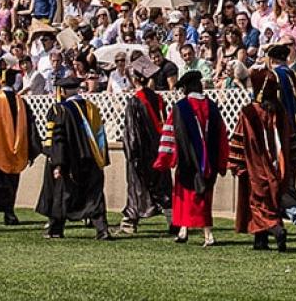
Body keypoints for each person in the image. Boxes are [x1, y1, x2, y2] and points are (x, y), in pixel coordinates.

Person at [153, 69, 229, 247]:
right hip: (208, 162)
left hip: (186, 161)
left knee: (188, 196)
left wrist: (164, 159)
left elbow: (169, 134)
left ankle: (208, 234)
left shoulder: (180, 108)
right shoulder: (212, 106)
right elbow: (222, 136)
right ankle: (183, 230)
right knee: (203, 197)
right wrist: (222, 161)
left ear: (186, 88)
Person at [36, 76, 112, 239]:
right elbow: (100, 135)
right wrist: (102, 159)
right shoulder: (92, 107)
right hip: (92, 159)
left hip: (70, 162)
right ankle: (102, 230)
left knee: (62, 193)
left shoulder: (60, 110)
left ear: (62, 91)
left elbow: (58, 139)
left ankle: (56, 230)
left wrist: (57, 163)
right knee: (94, 195)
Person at [228, 67, 295, 252]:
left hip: (255, 168)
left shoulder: (249, 112)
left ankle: (276, 229)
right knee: (270, 203)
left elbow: (240, 140)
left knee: (258, 205)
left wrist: (236, 164)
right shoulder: (281, 112)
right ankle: (260, 241)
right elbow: (291, 141)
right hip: (278, 168)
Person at [0, 62, 42, 226]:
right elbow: (31, 128)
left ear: (1, 81)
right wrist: (31, 150)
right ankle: (9, 212)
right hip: (17, 151)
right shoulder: (22, 103)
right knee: (11, 180)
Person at [264, 43, 296, 236]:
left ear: (270, 60)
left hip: (280, 137)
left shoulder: (272, 78)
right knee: (289, 180)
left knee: (277, 181)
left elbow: (265, 109)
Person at [118, 56, 172, 235]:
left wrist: (132, 153)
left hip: (141, 151)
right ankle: (174, 221)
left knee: (136, 188)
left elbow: (132, 133)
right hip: (158, 149)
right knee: (162, 186)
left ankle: (129, 222)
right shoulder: (158, 99)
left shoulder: (134, 102)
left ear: (134, 79)